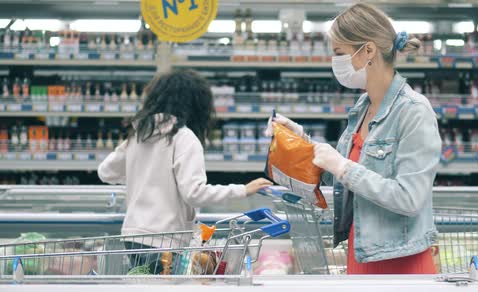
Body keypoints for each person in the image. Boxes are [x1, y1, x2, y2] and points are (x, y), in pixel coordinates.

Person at [269, 3, 442, 274]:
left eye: (339, 53)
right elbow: (337, 174)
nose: (335, 61)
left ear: (369, 51)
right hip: (361, 256)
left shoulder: (414, 111)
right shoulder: (362, 107)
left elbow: (410, 198)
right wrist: (298, 139)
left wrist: (343, 167)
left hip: (400, 265)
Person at [98, 70, 271, 274]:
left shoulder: (140, 134)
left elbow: (106, 171)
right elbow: (194, 193)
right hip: (166, 241)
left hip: (133, 236)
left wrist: (143, 171)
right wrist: (243, 190)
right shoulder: (184, 138)